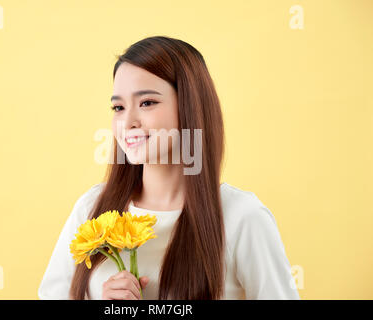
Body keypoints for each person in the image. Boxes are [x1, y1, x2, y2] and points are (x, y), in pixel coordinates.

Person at [38, 36, 300, 300]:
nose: (127, 122)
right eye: (118, 107)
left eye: (147, 103)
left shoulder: (242, 217)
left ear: (189, 105)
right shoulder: (91, 209)